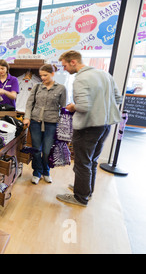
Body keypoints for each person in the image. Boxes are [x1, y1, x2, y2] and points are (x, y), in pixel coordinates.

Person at [56, 50, 122, 207]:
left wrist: (72, 107)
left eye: (65, 65)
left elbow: (83, 107)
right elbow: (118, 98)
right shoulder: (104, 74)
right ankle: (86, 190)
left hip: (88, 127)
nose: (64, 69)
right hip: (105, 125)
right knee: (92, 160)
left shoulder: (80, 79)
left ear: (73, 62)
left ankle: (80, 197)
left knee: (82, 163)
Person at [23, 64, 67, 184]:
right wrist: (27, 117)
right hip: (35, 122)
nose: (42, 78)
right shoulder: (37, 87)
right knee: (36, 149)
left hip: (51, 123)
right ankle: (37, 172)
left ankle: (46, 171)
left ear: (52, 74)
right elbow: (29, 104)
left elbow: (63, 107)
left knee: (47, 150)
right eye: (41, 75)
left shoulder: (61, 88)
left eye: (45, 75)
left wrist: (63, 126)